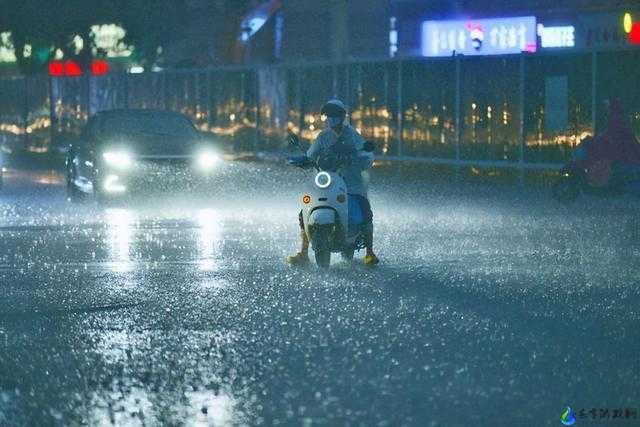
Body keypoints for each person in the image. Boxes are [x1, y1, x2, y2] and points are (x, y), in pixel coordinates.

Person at [287, 99, 380, 266]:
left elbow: (367, 156)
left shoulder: (352, 135)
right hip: (326, 182)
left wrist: (357, 157)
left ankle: (370, 252)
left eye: (335, 115)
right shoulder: (323, 137)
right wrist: (302, 161)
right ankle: (303, 252)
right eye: (328, 115)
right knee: (304, 211)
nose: (331, 118)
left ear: (343, 116)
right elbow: (311, 154)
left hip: (351, 184)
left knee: (364, 209)